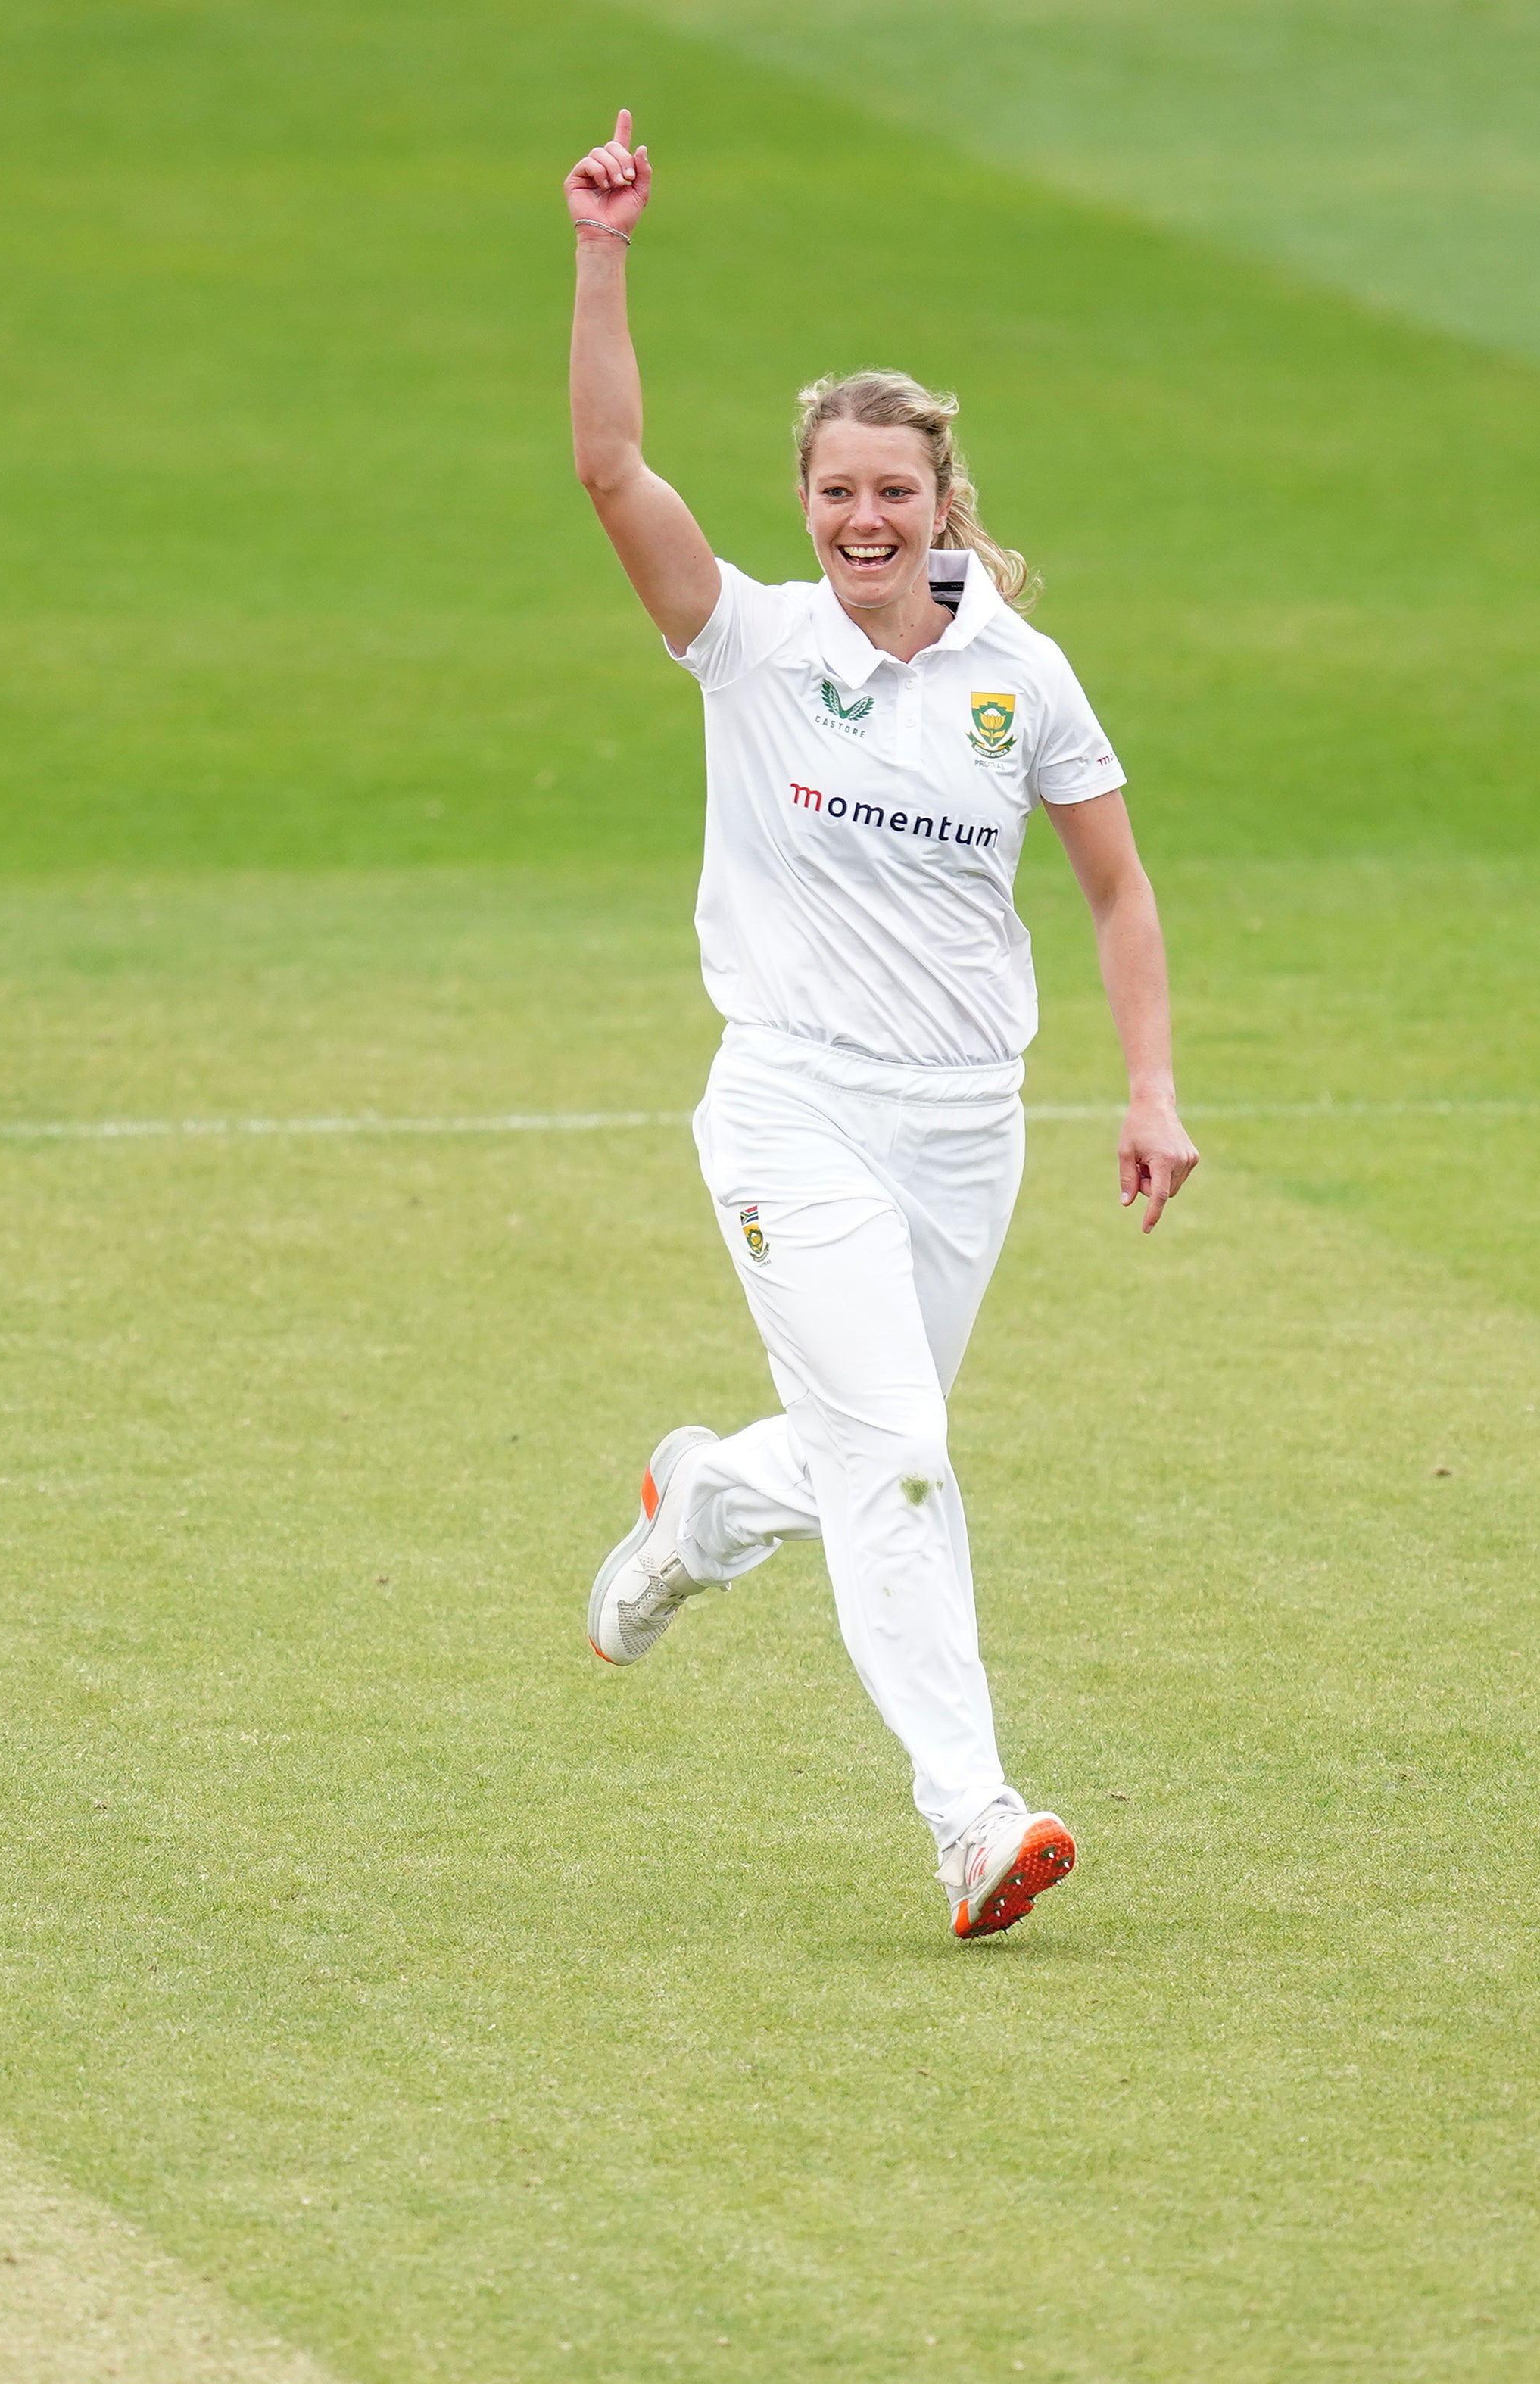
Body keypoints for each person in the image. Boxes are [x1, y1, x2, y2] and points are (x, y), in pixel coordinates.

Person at [562, 111, 1199, 1940]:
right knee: (906, 1455)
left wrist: (1148, 1088)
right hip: (791, 1108)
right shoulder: (753, 643)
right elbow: (613, 471)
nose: (860, 520)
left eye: (892, 495)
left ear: (940, 503)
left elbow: (1117, 891)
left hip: (963, 1125)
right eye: (835, 491)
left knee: (858, 1446)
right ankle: (972, 1818)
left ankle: (701, 1503)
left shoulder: (1021, 673)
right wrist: (602, 249)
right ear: (806, 501)